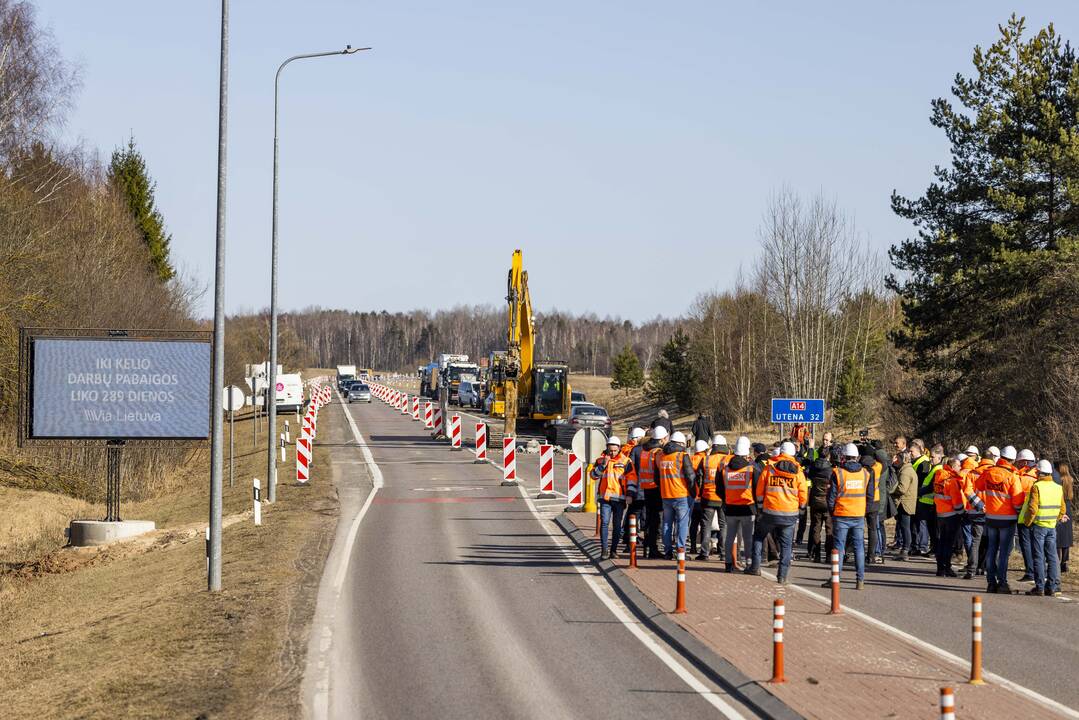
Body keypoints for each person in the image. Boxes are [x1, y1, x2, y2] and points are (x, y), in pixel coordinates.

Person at [748, 441, 807, 585]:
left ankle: (755, 567)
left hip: (769, 512)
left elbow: (760, 491)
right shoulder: (798, 472)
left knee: (758, 537)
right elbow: (803, 493)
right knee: (786, 546)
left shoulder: (770, 468)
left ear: (781, 452)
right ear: (793, 454)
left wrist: (761, 508)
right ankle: (782, 576)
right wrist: (801, 508)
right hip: (789, 514)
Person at [824, 443, 874, 590]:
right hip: (858, 514)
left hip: (841, 514)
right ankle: (860, 580)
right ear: (857, 457)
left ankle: (835, 579)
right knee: (859, 548)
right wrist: (864, 511)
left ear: (843, 457)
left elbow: (831, 497)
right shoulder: (866, 473)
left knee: (839, 548)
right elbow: (870, 496)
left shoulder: (838, 473)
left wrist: (833, 512)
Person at [976, 445, 1026, 594]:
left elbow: (977, 486)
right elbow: (1017, 502)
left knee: (991, 549)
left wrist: (981, 504)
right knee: (1003, 552)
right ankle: (1002, 583)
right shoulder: (1012, 476)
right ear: (1012, 460)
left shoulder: (988, 472)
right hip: (1008, 519)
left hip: (991, 517)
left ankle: (991, 583)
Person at [1019, 460, 1067, 596]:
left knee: (1038, 556)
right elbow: (1062, 509)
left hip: (1039, 527)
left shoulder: (1037, 486)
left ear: (1039, 472)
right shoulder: (1058, 487)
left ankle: (1039, 587)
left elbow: (1032, 508)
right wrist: (1054, 520)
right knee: (1052, 557)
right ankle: (1051, 587)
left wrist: (1027, 523)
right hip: (1052, 526)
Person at [721, 436, 758, 572]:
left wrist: (726, 500)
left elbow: (720, 488)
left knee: (729, 537)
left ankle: (728, 563)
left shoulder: (725, 469)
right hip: (748, 508)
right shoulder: (751, 469)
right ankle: (749, 563)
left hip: (730, 508)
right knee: (748, 538)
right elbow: (756, 489)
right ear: (746, 452)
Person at [657, 430, 697, 559]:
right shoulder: (682, 455)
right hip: (681, 495)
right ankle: (681, 551)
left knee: (667, 524)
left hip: (666, 495)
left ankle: (668, 552)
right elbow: (690, 476)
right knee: (682, 524)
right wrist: (693, 492)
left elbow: (657, 477)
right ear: (681, 443)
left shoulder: (662, 455)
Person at [591, 437, 629, 559]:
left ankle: (613, 550)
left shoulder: (626, 461)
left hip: (619, 498)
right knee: (605, 523)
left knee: (617, 525)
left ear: (619, 449)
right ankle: (604, 550)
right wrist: (603, 464)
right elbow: (593, 475)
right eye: (610, 450)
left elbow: (631, 479)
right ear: (607, 448)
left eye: (614, 450)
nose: (612, 453)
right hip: (605, 498)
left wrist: (630, 495)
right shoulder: (601, 460)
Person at [631, 426, 666, 558]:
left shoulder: (644, 451)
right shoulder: (657, 452)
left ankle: (648, 547)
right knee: (656, 520)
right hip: (655, 489)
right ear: (662, 439)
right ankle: (653, 549)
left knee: (649, 519)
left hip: (646, 488)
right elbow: (659, 471)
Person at [695, 435, 729, 561]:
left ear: (713, 446)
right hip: (724, 498)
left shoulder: (706, 460)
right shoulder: (728, 460)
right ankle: (724, 553)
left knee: (706, 525)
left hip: (708, 497)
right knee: (723, 525)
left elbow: (698, 479)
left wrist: (700, 492)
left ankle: (704, 553)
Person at [933, 457, 966, 577]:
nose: (960, 468)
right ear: (952, 467)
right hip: (951, 515)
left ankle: (940, 568)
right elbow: (957, 502)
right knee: (949, 543)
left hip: (940, 513)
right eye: (958, 466)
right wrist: (962, 513)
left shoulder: (938, 476)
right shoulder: (951, 480)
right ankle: (946, 567)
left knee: (942, 541)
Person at [804, 446, 834, 562]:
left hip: (815, 500)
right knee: (829, 528)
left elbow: (807, 470)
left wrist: (810, 450)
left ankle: (816, 554)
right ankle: (828, 555)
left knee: (816, 527)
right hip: (827, 501)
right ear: (828, 456)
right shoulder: (831, 470)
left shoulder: (813, 468)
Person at [911, 441, 938, 556]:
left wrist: (919, 492)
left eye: (933, 457)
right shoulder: (933, 466)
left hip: (929, 500)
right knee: (925, 526)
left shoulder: (935, 467)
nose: (931, 459)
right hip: (924, 499)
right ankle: (925, 546)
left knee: (926, 526)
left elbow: (931, 486)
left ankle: (923, 546)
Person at [1014, 449, 1038, 582]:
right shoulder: (1038, 474)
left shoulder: (1024, 478)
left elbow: (1017, 497)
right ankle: (1038, 570)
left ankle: (1030, 571)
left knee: (1026, 544)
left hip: (1024, 516)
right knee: (1037, 545)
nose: (1018, 465)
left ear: (1025, 461)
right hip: (1038, 516)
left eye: (1019, 462)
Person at [891, 449, 917, 561]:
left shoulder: (906, 471)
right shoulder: (906, 469)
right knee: (904, 527)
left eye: (899, 458)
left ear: (904, 459)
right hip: (906, 503)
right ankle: (904, 550)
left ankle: (905, 551)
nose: (897, 460)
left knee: (905, 527)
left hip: (904, 503)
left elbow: (902, 489)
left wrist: (891, 491)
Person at [688, 440, 709, 555]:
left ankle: (692, 547)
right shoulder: (706, 460)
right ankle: (704, 549)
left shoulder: (690, 459)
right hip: (704, 495)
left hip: (692, 496)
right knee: (705, 523)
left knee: (694, 523)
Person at [1057, 462, 1073, 573]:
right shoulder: (1070, 479)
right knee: (1067, 537)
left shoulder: (1059, 480)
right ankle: (1065, 562)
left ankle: (1057, 561)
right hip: (1068, 506)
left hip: (1060, 505)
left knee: (1058, 536)